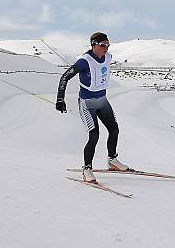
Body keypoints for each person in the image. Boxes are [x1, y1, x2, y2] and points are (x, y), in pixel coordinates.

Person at [55, 32, 129, 183]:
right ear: (94, 45)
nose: (106, 48)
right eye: (103, 45)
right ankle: (87, 169)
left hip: (102, 100)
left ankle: (112, 160)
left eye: (108, 45)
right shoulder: (84, 61)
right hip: (87, 104)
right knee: (94, 135)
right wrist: (60, 99)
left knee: (114, 129)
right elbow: (64, 77)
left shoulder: (108, 57)